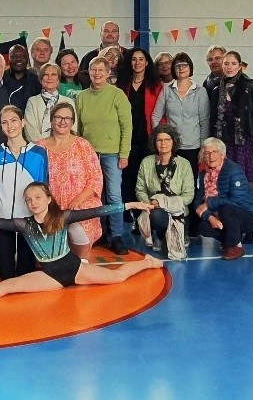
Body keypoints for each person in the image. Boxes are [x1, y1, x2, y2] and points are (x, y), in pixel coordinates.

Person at [0, 182, 160, 305]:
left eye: (38, 197)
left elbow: (98, 211)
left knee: (118, 276)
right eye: (29, 199)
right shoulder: (24, 224)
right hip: (49, 276)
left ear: (49, 198)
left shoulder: (63, 217)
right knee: (7, 286)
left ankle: (148, 263)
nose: (33, 202)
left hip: (75, 269)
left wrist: (130, 205)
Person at [75, 57, 132, 256]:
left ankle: (116, 236)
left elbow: (127, 126)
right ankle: (97, 233)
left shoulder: (117, 95)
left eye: (101, 70)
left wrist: (124, 154)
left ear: (108, 73)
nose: (97, 73)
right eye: (94, 69)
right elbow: (79, 129)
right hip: (88, 155)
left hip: (112, 153)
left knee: (114, 195)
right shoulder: (81, 97)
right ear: (89, 73)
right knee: (93, 196)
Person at [0, 106, 49, 280]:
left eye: (14, 120)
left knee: (26, 274)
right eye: (4, 122)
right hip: (2, 220)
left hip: (29, 221)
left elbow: (44, 188)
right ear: (1, 126)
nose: (10, 125)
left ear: (23, 123)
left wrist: (43, 221)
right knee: (5, 275)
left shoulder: (39, 153)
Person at [36, 102, 102, 262]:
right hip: (50, 207)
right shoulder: (39, 147)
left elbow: (96, 178)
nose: (62, 121)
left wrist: (77, 200)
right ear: (51, 120)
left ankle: (83, 264)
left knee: (77, 230)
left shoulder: (82, 145)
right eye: (58, 117)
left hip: (80, 205)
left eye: (67, 118)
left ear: (72, 122)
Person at [116, 48, 164, 224]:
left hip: (147, 137)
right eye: (134, 59)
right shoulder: (122, 85)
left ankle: (142, 215)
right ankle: (125, 211)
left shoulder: (156, 86)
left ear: (147, 62)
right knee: (126, 177)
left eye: (141, 59)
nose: (137, 63)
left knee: (144, 178)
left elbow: (161, 114)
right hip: (126, 138)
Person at [193, 138, 253, 260]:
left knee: (225, 208)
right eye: (207, 153)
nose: (211, 156)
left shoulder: (233, 170)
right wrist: (210, 217)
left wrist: (209, 203)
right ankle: (231, 238)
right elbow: (197, 202)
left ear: (222, 155)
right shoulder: (204, 174)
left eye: (215, 152)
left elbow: (237, 200)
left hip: (248, 215)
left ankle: (235, 245)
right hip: (220, 215)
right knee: (203, 227)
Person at [151, 52, 209, 194]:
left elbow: (204, 121)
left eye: (184, 65)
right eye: (177, 66)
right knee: (171, 182)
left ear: (190, 67)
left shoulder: (200, 91)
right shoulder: (167, 90)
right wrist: (161, 139)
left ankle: (191, 208)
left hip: (193, 146)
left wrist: (203, 147)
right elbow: (155, 116)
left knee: (190, 182)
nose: (181, 68)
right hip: (172, 146)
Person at [134, 125, 194, 259]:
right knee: (156, 215)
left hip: (178, 211)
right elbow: (140, 189)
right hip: (155, 209)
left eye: (167, 140)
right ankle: (159, 235)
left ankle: (181, 233)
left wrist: (164, 202)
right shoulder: (146, 162)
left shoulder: (184, 164)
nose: (163, 143)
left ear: (174, 142)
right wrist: (150, 203)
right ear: (154, 143)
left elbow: (189, 196)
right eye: (159, 140)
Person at [208, 51, 253, 184]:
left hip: (246, 141)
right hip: (225, 141)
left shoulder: (250, 85)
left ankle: (250, 199)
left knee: (248, 181)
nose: (229, 67)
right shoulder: (217, 89)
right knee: (226, 179)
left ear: (240, 66)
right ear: (222, 66)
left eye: (233, 63)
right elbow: (212, 119)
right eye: (226, 64)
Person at [24, 63, 75, 142]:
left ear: (58, 79)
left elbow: (73, 128)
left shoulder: (69, 101)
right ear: (41, 79)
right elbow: (30, 130)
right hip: (38, 147)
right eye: (46, 74)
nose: (49, 78)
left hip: (64, 146)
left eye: (53, 74)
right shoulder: (32, 101)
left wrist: (61, 146)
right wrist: (43, 146)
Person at [5, 44, 41, 110]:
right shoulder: (1, 79)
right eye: (15, 56)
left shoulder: (36, 80)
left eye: (22, 56)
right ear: (9, 59)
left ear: (27, 59)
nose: (18, 59)